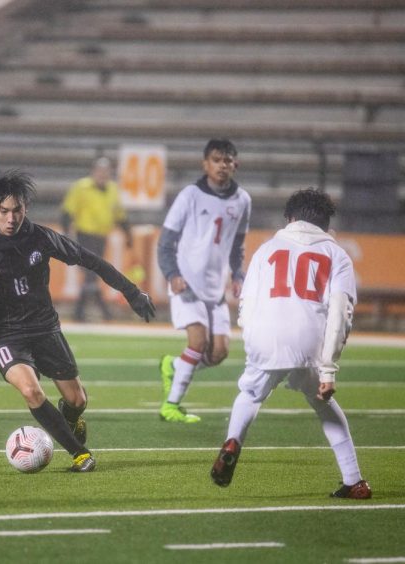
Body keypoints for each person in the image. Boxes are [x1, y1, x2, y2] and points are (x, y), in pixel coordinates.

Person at [0, 170, 155, 472]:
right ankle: (80, 453)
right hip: (4, 335)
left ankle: (69, 418)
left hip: (45, 327)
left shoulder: (40, 238)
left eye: (16, 210)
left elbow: (91, 260)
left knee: (77, 400)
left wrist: (132, 292)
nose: (10, 218)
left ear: (26, 208)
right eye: (3, 211)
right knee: (32, 391)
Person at [210, 188, 371, 499]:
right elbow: (340, 314)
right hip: (309, 338)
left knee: (250, 394)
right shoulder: (337, 255)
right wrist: (328, 370)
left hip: (265, 335)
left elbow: (245, 301)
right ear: (325, 223)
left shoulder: (267, 249)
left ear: (290, 219)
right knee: (324, 407)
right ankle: (354, 480)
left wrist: (253, 338)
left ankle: (233, 441)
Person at [156, 139, 251, 423]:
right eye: (216, 159)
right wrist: (172, 274)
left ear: (236, 164)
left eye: (227, 160)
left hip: (215, 288)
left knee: (218, 353)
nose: (222, 165)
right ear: (205, 164)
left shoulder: (243, 200)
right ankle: (171, 406)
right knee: (197, 343)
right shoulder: (190, 196)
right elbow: (165, 243)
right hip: (187, 283)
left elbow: (238, 245)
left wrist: (238, 274)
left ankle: (173, 365)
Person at [61, 157, 133, 322]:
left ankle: (80, 313)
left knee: (91, 274)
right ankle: (102, 311)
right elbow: (67, 211)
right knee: (91, 272)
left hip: (101, 237)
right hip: (84, 235)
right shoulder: (81, 187)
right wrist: (66, 235)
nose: (103, 174)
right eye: (100, 171)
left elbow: (119, 214)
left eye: (106, 171)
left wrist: (127, 234)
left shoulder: (113, 190)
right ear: (93, 172)